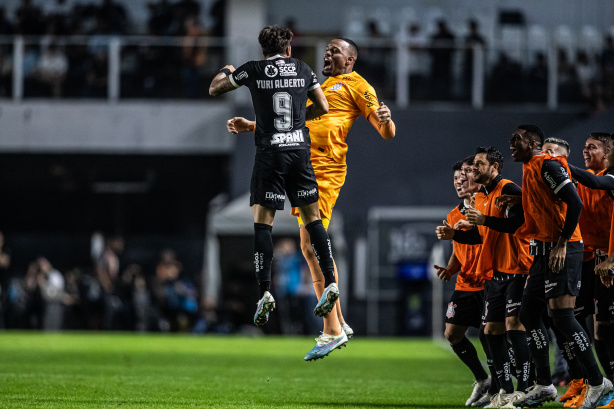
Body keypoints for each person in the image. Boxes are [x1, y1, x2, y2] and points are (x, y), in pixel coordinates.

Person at [227, 37, 395, 360]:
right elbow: (293, 120)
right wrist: (251, 126)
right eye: (327, 49)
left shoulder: (357, 85)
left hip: (326, 169)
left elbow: (385, 131)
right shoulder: (322, 86)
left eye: (336, 50)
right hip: (303, 164)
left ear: (350, 60)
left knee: (309, 243)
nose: (328, 53)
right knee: (307, 244)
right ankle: (340, 323)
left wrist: (387, 121)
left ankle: (331, 329)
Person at [209, 26, 347, 357]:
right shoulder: (303, 69)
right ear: (288, 48)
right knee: (314, 221)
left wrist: (228, 70)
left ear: (263, 48)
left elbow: (215, 88)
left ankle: (264, 291)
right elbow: (324, 107)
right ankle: (330, 282)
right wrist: (298, 121)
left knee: (262, 225)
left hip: (269, 155)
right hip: (298, 152)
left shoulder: (253, 69)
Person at [509, 124, 612, 408]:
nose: (511, 144)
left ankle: (597, 382)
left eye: (516, 139)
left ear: (532, 142)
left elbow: (575, 203)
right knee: (529, 315)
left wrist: (563, 242)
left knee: (563, 317)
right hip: (544, 252)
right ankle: (544, 384)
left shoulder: (547, 165)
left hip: (564, 250)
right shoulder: (530, 167)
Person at [437, 147, 533, 408]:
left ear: (493, 167)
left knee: (512, 329)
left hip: (515, 270)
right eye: (461, 174)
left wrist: (484, 220)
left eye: (472, 168)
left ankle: (529, 386)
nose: (465, 176)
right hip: (488, 276)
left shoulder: (507, 190)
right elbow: (477, 238)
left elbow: (517, 223)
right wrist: (454, 238)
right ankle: (500, 390)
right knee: (486, 332)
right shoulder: (470, 206)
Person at [557, 133, 612, 406]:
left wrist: (561, 164)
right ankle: (583, 381)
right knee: (567, 319)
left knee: (604, 328)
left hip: (607, 261)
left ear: (608, 151)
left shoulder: (608, 177)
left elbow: (596, 182)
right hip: (586, 261)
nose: (586, 150)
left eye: (593, 147)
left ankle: (606, 386)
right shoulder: (579, 180)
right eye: (585, 146)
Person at [433, 158, 492, 406]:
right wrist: (451, 268)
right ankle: (483, 380)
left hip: (489, 280)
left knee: (492, 336)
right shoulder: (453, 214)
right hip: (465, 282)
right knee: (452, 333)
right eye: (455, 179)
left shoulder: (487, 206)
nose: (458, 182)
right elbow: (458, 248)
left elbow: (487, 237)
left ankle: (509, 386)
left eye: (463, 177)